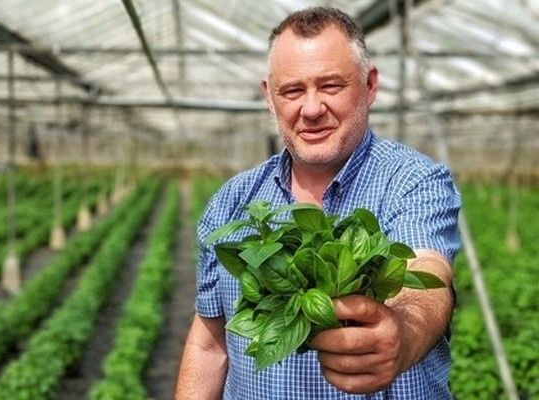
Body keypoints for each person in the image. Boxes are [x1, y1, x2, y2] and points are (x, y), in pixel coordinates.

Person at [175, 6, 461, 400]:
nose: (311, 109)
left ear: (370, 85)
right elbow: (210, 343)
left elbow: (426, 268)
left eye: (330, 86)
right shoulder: (231, 202)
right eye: (292, 91)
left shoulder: (412, 181)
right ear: (269, 98)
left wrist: (404, 332)